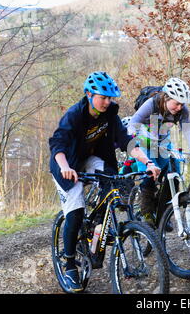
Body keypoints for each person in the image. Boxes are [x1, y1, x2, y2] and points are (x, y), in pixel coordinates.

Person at [49, 71, 160, 292]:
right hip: (67, 164)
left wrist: (148, 162)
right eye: (103, 97)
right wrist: (64, 167)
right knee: (75, 213)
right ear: (89, 95)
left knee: (113, 181)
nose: (108, 102)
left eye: (110, 98)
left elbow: (127, 142)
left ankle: (99, 224)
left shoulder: (110, 115)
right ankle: (70, 264)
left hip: (90, 158)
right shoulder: (74, 115)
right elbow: (57, 145)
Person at [127, 77, 190, 227]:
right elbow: (132, 123)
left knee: (171, 174)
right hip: (144, 140)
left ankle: (162, 214)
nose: (180, 107)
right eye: (177, 103)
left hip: (162, 141)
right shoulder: (151, 104)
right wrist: (136, 138)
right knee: (150, 175)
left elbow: (187, 130)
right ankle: (147, 212)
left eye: (182, 104)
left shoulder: (182, 111)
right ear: (166, 97)